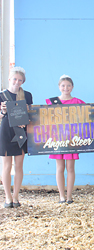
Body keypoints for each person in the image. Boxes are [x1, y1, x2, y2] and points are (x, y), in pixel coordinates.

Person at [0, 67, 33, 208]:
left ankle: (16, 197)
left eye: (20, 80)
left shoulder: (27, 95)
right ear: (9, 79)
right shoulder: (1, 96)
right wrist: (3, 111)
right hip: (6, 131)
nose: (17, 82)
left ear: (23, 82)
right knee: (7, 166)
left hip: (21, 132)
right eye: (15, 79)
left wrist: (26, 116)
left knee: (19, 166)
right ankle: (7, 197)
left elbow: (31, 115)